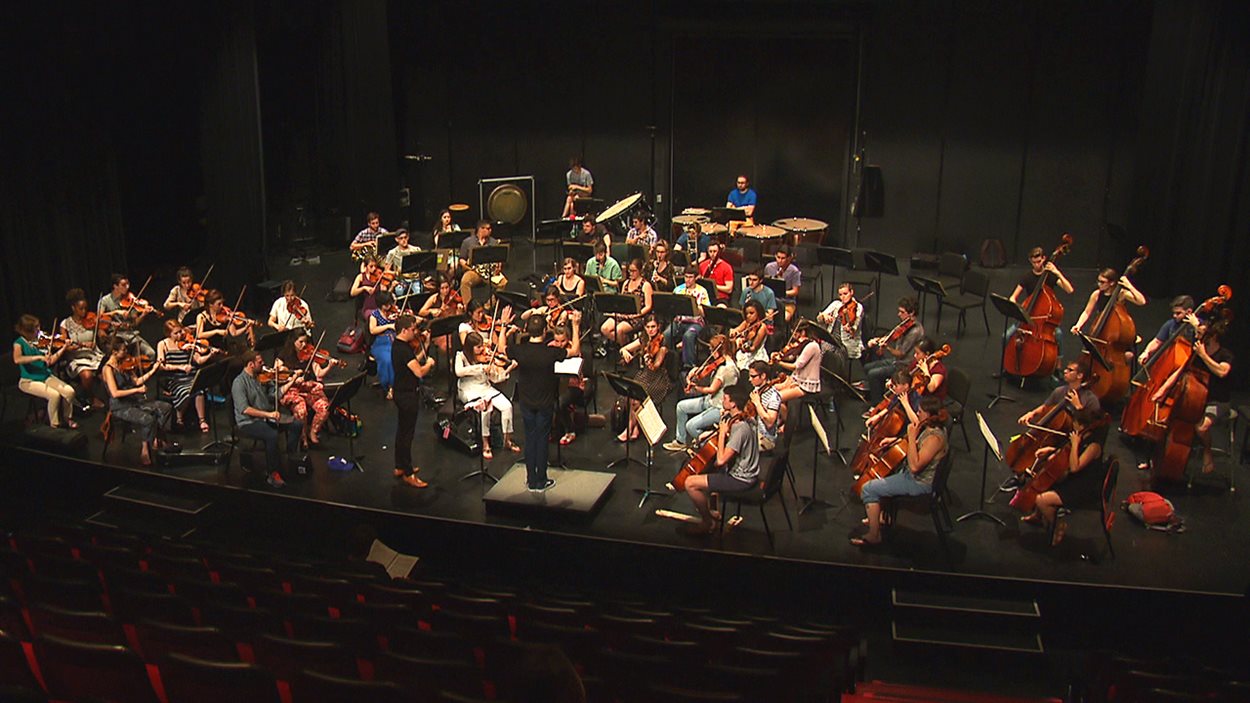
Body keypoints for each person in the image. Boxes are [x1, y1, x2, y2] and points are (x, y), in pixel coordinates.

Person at [852, 394, 948, 547]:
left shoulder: (934, 439)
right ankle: (881, 515)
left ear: (929, 415)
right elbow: (917, 445)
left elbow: (915, 466)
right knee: (886, 471)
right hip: (912, 475)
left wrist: (910, 436)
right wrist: (896, 440)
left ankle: (874, 535)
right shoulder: (930, 428)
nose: (917, 413)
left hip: (918, 482)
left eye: (920, 412)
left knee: (868, 489)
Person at [1150, 321, 1232, 475]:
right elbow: (1181, 370)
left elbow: (1222, 372)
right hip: (1195, 399)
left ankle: (1207, 451)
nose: (1197, 336)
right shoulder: (1197, 350)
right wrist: (1163, 389)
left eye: (1200, 334)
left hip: (1217, 401)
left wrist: (1204, 356)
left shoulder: (1225, 354)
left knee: (1201, 427)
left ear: (1212, 336)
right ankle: (1155, 460)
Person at [1020, 407, 1109, 546]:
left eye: (1075, 423)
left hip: (1082, 487)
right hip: (1073, 480)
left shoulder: (1093, 446)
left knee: (1041, 500)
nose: (1073, 425)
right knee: (1043, 483)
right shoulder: (1081, 436)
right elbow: (1065, 453)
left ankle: (1058, 527)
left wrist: (1075, 444)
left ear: (1082, 426)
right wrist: (1051, 451)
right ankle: (1038, 516)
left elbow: (1074, 467)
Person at [682, 383, 761, 535]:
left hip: (741, 479)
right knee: (708, 470)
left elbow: (721, 460)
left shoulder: (740, 428)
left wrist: (722, 435)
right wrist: (717, 432)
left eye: (725, 398)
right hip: (749, 472)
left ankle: (707, 522)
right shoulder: (749, 419)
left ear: (732, 403)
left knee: (690, 483)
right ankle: (712, 510)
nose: (722, 401)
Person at [512, 316, 569, 491]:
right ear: (545, 332)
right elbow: (573, 350)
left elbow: (501, 348)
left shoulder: (520, 350)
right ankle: (541, 480)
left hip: (526, 401)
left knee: (530, 438)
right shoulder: (550, 352)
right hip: (545, 403)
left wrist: (506, 325)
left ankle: (531, 480)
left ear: (527, 330)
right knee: (542, 439)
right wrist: (574, 325)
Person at [232, 350, 302, 488]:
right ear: (251, 364)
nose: (263, 364)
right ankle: (272, 473)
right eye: (259, 362)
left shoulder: (262, 378)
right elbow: (245, 409)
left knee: (296, 424)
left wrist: (292, 380)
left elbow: (277, 394)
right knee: (271, 435)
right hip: (249, 422)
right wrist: (268, 415)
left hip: (267, 417)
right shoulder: (239, 383)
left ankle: (290, 457)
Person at [102, 337, 173, 467]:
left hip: (135, 402)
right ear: (114, 352)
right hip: (120, 406)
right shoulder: (108, 369)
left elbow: (138, 381)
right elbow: (115, 393)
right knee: (148, 419)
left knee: (166, 407)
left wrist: (153, 370)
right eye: (123, 350)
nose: (126, 353)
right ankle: (145, 450)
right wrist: (136, 391)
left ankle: (157, 437)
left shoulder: (125, 364)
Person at [664, 334, 739, 452]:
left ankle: (709, 442)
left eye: (712, 350)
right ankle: (681, 441)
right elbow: (708, 374)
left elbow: (712, 389)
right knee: (681, 407)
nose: (711, 353)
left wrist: (696, 387)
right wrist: (696, 370)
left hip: (719, 407)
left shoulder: (727, 369)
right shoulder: (721, 363)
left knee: (691, 426)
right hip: (710, 400)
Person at [456, 331, 519, 461]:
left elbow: (495, 379)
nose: (482, 350)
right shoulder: (461, 356)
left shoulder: (485, 358)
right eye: (478, 347)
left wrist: (507, 370)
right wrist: (480, 368)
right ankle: (486, 444)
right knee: (486, 409)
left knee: (507, 406)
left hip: (485, 387)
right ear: (470, 347)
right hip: (469, 390)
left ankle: (507, 439)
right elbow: (459, 372)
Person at [393, 315, 436, 488]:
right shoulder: (402, 349)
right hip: (407, 395)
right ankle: (408, 473)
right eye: (412, 329)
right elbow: (418, 372)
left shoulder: (399, 346)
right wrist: (430, 364)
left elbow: (411, 362)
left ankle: (399, 466)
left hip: (401, 392)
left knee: (401, 431)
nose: (415, 332)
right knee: (407, 435)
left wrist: (425, 346)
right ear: (404, 330)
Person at [13, 314, 77, 429]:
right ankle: (55, 425)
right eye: (36, 329)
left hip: (45, 376)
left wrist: (64, 348)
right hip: (28, 380)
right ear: (27, 331)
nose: (39, 331)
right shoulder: (19, 343)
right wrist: (38, 358)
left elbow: (50, 360)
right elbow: (17, 359)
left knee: (69, 392)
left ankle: (67, 418)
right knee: (54, 395)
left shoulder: (39, 342)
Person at [274, 331, 334, 447]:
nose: (304, 345)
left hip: (307, 387)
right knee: (301, 410)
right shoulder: (283, 355)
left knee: (324, 408)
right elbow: (276, 375)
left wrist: (329, 366)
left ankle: (313, 432)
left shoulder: (310, 355)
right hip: (290, 389)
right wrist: (292, 378)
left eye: (305, 342)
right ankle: (303, 438)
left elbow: (319, 374)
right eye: (300, 342)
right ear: (293, 342)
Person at [154, 319, 216, 432]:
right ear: (169, 334)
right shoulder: (162, 344)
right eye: (176, 333)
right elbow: (161, 366)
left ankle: (202, 420)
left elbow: (199, 360)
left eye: (180, 331)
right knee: (186, 391)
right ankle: (179, 417)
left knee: (199, 390)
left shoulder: (188, 343)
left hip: (190, 376)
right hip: (175, 378)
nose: (180, 335)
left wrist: (210, 355)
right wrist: (180, 367)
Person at [618, 316, 671, 443]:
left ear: (658, 327)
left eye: (653, 327)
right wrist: (624, 351)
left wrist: (649, 362)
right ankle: (636, 427)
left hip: (659, 379)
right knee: (632, 394)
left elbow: (656, 366)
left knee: (637, 398)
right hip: (644, 376)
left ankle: (629, 428)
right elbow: (624, 348)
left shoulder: (663, 343)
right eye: (648, 327)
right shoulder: (644, 339)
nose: (651, 330)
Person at [1006, 245, 1074, 344]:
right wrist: (1016, 307)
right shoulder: (1027, 277)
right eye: (1034, 262)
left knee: (1058, 335)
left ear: (1044, 259)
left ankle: (1059, 358)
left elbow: (1070, 290)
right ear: (1030, 261)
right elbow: (1013, 297)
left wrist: (1057, 272)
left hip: (1045, 318)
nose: (1037, 265)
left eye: (1039, 261)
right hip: (1029, 315)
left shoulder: (1050, 276)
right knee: (1007, 336)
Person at [863, 297, 924, 402]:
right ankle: (876, 391)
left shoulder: (915, 332)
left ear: (912, 313)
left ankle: (876, 404)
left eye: (902, 312)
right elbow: (894, 335)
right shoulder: (906, 324)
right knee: (867, 367)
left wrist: (887, 347)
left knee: (873, 374)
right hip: (897, 361)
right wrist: (880, 339)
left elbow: (900, 353)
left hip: (904, 365)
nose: (898, 314)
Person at [59, 289, 108, 408]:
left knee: (108, 371)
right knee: (87, 376)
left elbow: (101, 335)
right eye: (81, 309)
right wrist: (79, 345)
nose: (84, 311)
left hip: (93, 354)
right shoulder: (65, 324)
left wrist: (102, 335)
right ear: (73, 308)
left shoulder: (91, 320)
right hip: (76, 358)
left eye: (85, 308)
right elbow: (64, 346)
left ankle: (113, 398)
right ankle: (91, 398)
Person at [1017, 358, 1101, 427]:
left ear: (1080, 375)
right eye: (1066, 369)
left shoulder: (1091, 399)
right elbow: (1045, 407)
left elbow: (1091, 424)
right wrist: (1032, 413)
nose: (1065, 371)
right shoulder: (1059, 391)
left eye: (1070, 370)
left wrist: (1078, 406)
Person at [1070, 267, 1147, 336]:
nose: (1099, 284)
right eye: (1098, 281)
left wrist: (1129, 286)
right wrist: (1078, 325)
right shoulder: (1096, 294)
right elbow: (1087, 312)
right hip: (1101, 327)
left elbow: (1141, 301)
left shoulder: (1121, 294)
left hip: (1116, 331)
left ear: (1112, 283)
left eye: (1102, 282)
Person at [549, 315, 586, 447]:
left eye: (562, 341)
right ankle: (553, 429)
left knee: (561, 403)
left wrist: (575, 326)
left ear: (568, 339)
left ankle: (570, 430)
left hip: (574, 385)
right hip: (556, 384)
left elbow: (576, 354)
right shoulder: (551, 347)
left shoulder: (573, 347)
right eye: (557, 341)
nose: (559, 345)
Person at [98, 274, 155, 357]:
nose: (127, 287)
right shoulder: (105, 300)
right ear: (115, 286)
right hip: (116, 334)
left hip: (130, 334)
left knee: (151, 353)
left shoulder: (130, 300)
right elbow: (99, 317)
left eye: (128, 284)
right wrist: (116, 312)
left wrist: (143, 314)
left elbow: (135, 323)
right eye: (123, 285)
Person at [601, 258, 653, 348]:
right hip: (623, 314)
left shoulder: (645, 285)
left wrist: (637, 314)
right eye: (630, 271)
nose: (631, 273)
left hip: (637, 317)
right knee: (604, 328)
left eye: (634, 271)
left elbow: (648, 306)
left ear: (640, 271)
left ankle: (625, 349)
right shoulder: (626, 283)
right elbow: (621, 300)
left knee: (619, 330)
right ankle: (627, 343)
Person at [666, 268, 710, 370]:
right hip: (679, 321)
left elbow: (705, 312)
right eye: (686, 277)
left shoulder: (702, 291)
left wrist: (694, 306)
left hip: (696, 322)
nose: (687, 280)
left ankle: (689, 366)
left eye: (690, 277)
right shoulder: (678, 290)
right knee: (666, 334)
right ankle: (669, 362)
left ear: (696, 278)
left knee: (688, 336)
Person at [769, 321, 821, 405]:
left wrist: (779, 362)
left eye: (795, 332)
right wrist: (778, 354)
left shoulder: (812, 346)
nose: (793, 335)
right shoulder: (801, 345)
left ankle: (785, 417)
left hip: (805, 385)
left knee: (775, 398)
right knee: (770, 391)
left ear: (803, 332)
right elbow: (791, 357)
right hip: (796, 379)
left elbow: (796, 366)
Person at [1139, 295, 1197, 367]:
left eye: (1178, 313)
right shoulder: (1171, 324)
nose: (1174, 316)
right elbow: (1157, 341)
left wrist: (1197, 326)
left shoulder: (1198, 324)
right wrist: (1146, 352)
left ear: (1189, 311)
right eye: (1174, 313)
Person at [459, 220, 507, 302]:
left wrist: (499, 266)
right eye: (488, 229)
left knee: (503, 283)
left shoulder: (494, 242)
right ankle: (469, 307)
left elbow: (499, 259)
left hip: (489, 271)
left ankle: (488, 306)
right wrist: (468, 268)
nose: (490, 231)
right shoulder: (467, 242)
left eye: (490, 228)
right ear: (481, 229)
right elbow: (462, 259)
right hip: (474, 271)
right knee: (465, 281)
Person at [817, 283, 865, 362]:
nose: (843, 297)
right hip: (832, 339)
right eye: (840, 295)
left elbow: (855, 325)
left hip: (846, 344)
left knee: (838, 360)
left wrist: (850, 327)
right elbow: (819, 319)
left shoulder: (858, 307)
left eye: (845, 294)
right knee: (820, 355)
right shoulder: (836, 304)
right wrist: (824, 316)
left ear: (851, 292)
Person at [746, 361, 783, 453]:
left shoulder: (773, 397)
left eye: (753, 376)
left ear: (763, 376)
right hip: (754, 430)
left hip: (765, 439)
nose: (750, 379)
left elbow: (770, 422)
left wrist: (757, 403)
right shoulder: (757, 390)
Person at [369, 292, 400, 400]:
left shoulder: (393, 311)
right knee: (388, 359)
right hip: (381, 341)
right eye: (386, 304)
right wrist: (389, 325)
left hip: (394, 338)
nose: (389, 306)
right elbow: (372, 330)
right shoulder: (374, 315)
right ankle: (390, 386)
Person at [763, 245, 801, 323]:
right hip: (770, 300)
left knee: (785, 317)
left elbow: (795, 291)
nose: (780, 260)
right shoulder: (769, 267)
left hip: (787, 302)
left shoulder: (794, 271)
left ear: (789, 258)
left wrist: (782, 293)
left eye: (783, 258)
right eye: (778, 257)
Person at [729, 300, 770, 370]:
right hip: (744, 353)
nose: (748, 316)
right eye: (747, 313)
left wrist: (744, 348)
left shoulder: (762, 327)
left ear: (758, 313)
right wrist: (734, 332)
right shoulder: (746, 323)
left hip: (755, 355)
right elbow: (737, 329)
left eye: (751, 313)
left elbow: (753, 348)